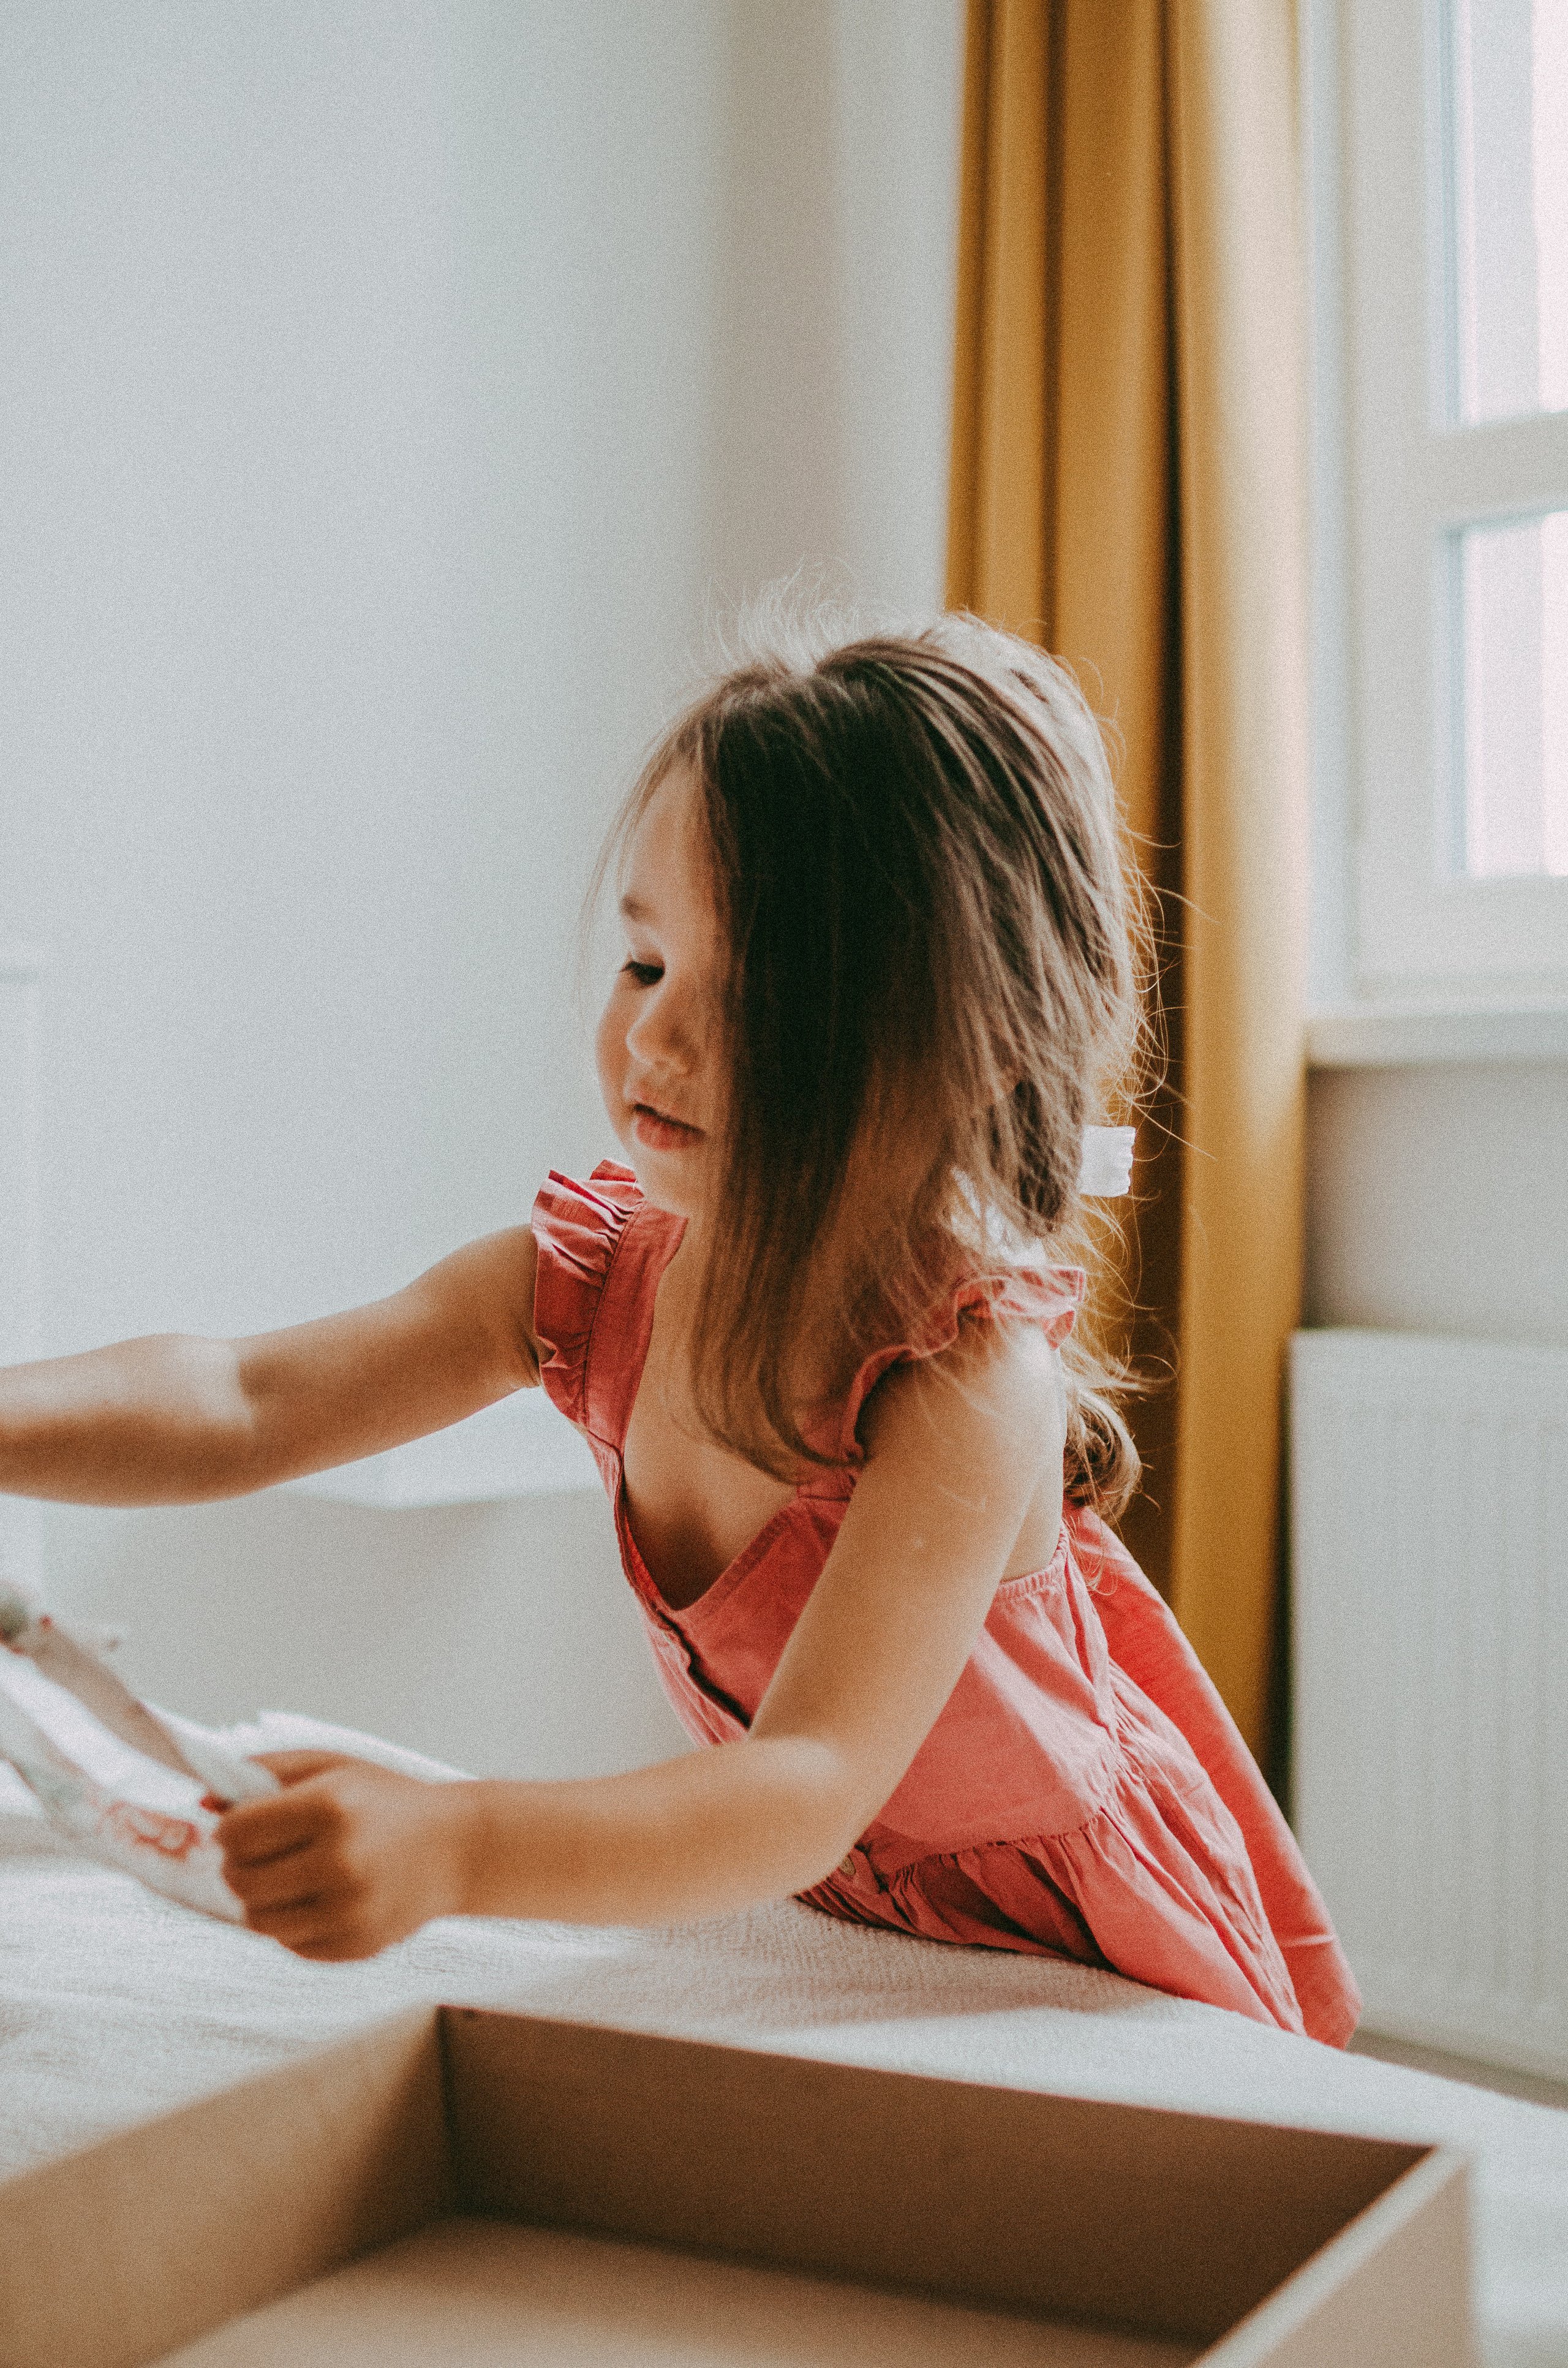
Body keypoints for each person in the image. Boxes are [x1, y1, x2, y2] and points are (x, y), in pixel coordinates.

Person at [0, 608, 1358, 2045]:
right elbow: (248, 1394)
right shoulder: (589, 1283)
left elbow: (812, 1776)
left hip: (1075, 1950)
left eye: (759, 995)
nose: (655, 1039)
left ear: (958, 1041)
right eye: (647, 967)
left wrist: (457, 1844)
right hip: (840, 1918)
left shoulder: (962, 1378)